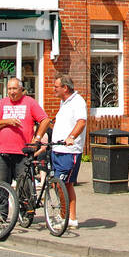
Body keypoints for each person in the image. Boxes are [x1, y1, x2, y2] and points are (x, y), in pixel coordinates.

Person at [0, 77, 50, 190]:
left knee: (24, 189)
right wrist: (8, 121)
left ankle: (25, 208)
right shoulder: (3, 103)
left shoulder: (29, 102)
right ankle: (3, 208)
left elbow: (45, 120)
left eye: (14, 89)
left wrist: (37, 139)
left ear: (21, 89)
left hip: (23, 153)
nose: (12, 92)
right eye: (9, 89)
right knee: (2, 187)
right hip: (4, 152)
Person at [50, 76, 88, 229]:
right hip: (57, 149)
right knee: (63, 185)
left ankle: (65, 217)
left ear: (65, 88)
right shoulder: (64, 102)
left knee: (62, 184)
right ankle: (70, 218)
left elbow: (81, 122)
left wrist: (71, 137)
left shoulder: (78, 101)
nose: (54, 89)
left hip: (69, 151)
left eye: (56, 86)